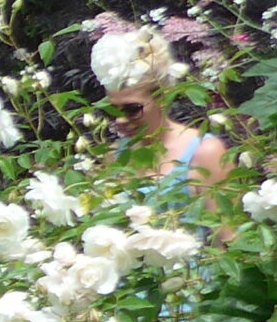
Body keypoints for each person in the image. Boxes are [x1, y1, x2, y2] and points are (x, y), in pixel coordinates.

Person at [95, 26, 229, 197]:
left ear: (163, 97)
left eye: (132, 109)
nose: (120, 120)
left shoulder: (205, 152)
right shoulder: (116, 155)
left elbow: (226, 223)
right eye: (112, 111)